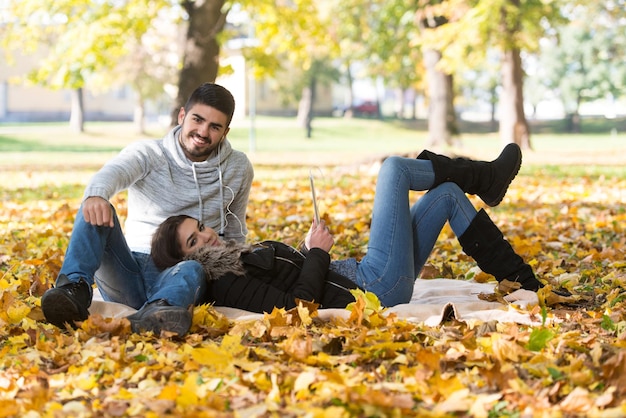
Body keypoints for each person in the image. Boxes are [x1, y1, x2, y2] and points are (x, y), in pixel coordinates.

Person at [150, 144, 543, 315]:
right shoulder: (226, 281)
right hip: (372, 289)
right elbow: (297, 309)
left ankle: (525, 283)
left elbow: (292, 280)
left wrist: (305, 250)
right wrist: (318, 254)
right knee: (394, 168)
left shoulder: (234, 256)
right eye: (193, 240)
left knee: (447, 194)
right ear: (184, 260)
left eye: (199, 226)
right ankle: (487, 177)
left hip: (364, 275)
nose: (206, 235)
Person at [41, 82, 254, 336]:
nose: (202, 131)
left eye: (214, 126)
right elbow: (113, 172)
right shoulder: (150, 153)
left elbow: (235, 233)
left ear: (225, 132)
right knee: (97, 206)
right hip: (129, 266)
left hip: (182, 271)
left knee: (193, 268)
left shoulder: (238, 167)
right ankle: (72, 290)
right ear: (182, 116)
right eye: (197, 120)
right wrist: (96, 194)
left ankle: (158, 313)